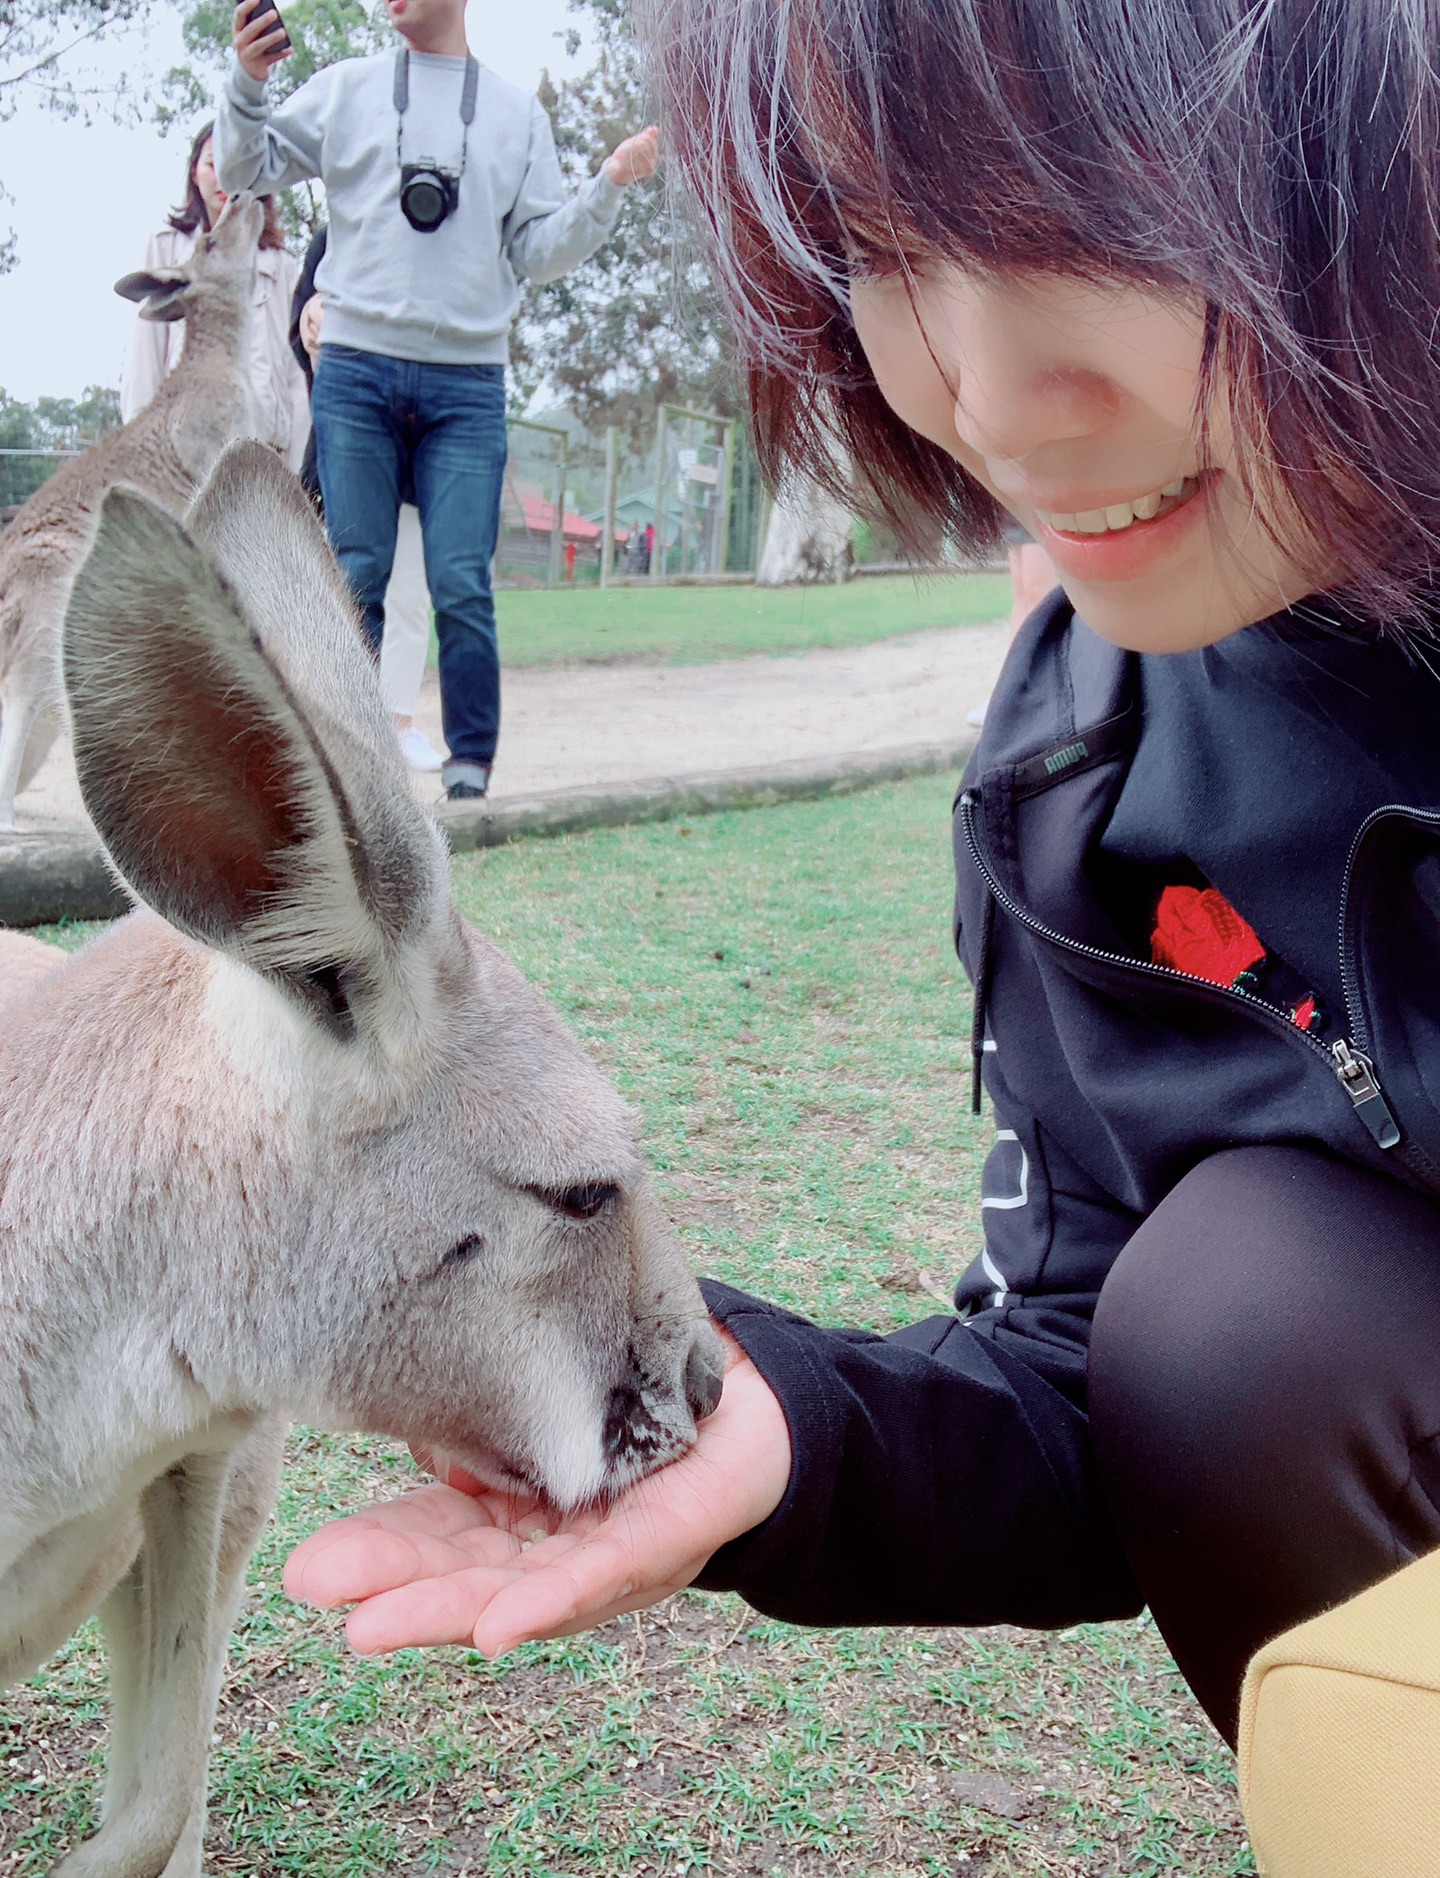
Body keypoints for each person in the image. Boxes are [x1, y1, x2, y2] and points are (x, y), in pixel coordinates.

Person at [283, 0, 1440, 1777]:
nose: (982, 393)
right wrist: (774, 1437)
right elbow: (1094, 1371)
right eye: (894, 247)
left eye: (1095, 205)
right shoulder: (1080, 770)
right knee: (1231, 1319)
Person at [215, 0, 660, 801]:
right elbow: (247, 167)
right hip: (356, 368)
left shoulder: (518, 114)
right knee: (356, 572)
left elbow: (537, 250)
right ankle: (354, 770)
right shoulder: (346, 87)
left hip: (467, 382)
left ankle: (470, 772)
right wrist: (247, 83)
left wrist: (607, 188)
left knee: (461, 578)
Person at [289, 225, 447, 772]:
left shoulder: (444, 233)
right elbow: (300, 332)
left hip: (414, 448)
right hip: (344, 449)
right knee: (333, 590)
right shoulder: (332, 237)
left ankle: (398, 722)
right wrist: (311, 327)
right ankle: (326, 723)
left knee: (406, 591)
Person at [120, 119, 309, 471]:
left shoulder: (280, 263)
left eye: (235, 166)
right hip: (184, 449)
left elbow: (293, 368)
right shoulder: (166, 248)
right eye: (212, 164)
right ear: (194, 172)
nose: (224, 177)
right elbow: (145, 357)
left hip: (264, 449)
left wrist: (297, 463)